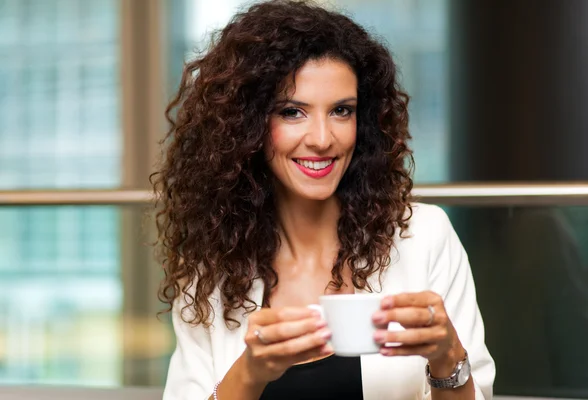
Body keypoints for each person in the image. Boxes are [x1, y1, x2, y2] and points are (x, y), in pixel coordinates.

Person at [153, 1, 495, 399]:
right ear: (247, 127)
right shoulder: (213, 270)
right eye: (292, 111)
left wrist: (446, 355)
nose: (321, 138)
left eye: (341, 111)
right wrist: (250, 374)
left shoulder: (424, 236)